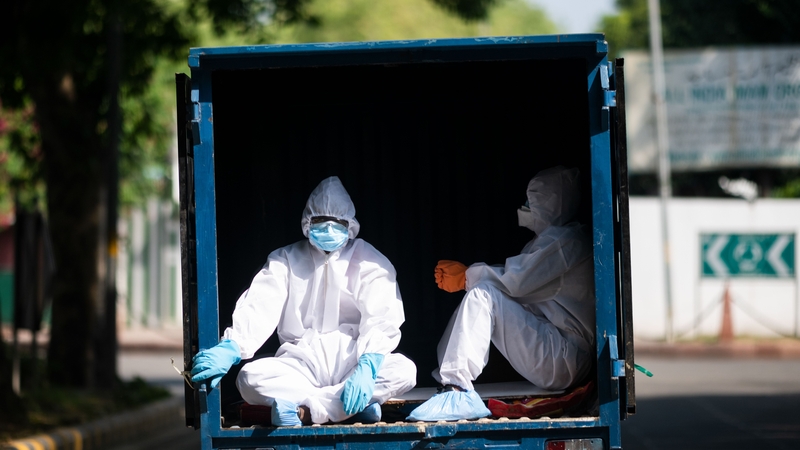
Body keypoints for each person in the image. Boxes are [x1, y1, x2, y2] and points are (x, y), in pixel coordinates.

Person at [191, 176, 416, 426]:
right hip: (300, 361)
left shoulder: (369, 260)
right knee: (248, 378)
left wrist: (368, 365)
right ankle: (348, 408)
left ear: (350, 225)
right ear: (307, 223)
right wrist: (234, 345)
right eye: (320, 222)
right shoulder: (285, 259)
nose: (329, 229)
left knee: (404, 370)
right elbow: (260, 305)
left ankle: (308, 412)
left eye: (338, 223)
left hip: (353, 360)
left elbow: (382, 316)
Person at [407, 166, 595, 422]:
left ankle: (457, 389)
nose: (525, 206)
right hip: (559, 349)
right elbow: (516, 286)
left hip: (563, 356)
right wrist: (469, 278)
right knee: (484, 293)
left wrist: (466, 276)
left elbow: (517, 281)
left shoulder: (566, 242)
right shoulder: (554, 241)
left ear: (549, 203)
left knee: (483, 294)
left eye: (532, 200)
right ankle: (446, 383)